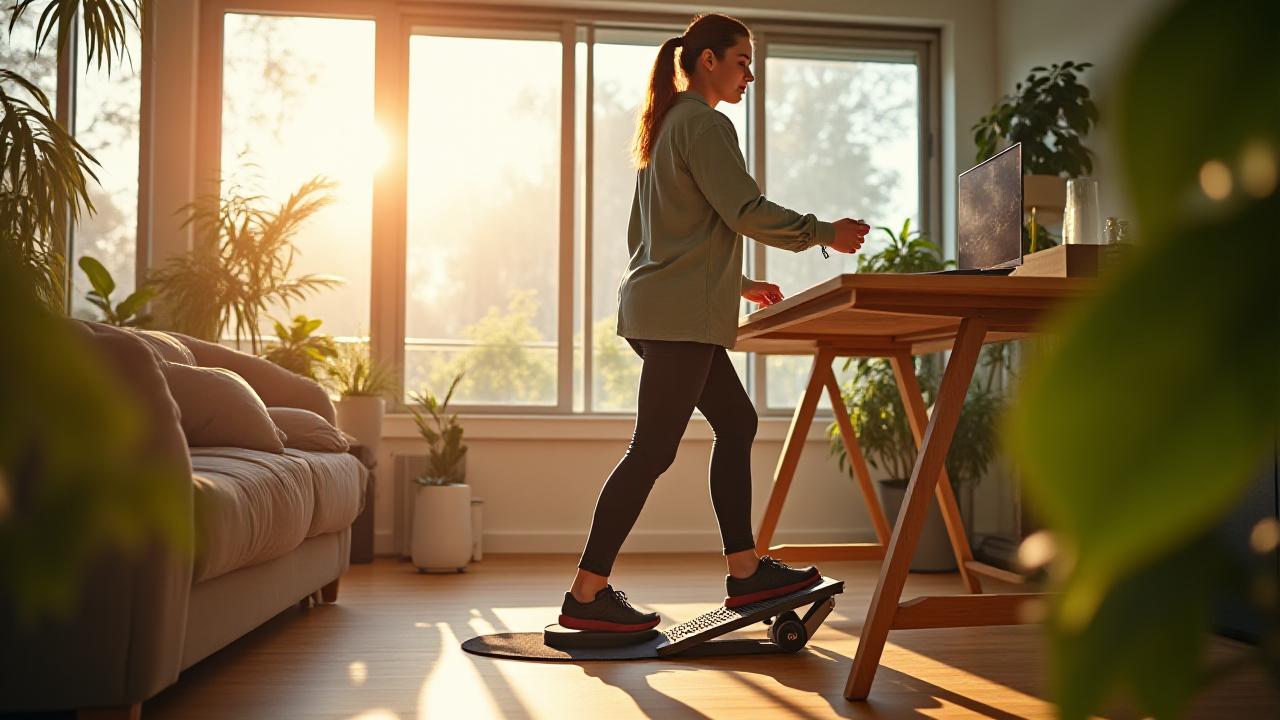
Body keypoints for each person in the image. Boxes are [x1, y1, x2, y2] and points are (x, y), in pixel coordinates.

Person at [560, 12, 869, 633]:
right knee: (651, 451)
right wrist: (823, 233)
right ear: (708, 60)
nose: (749, 75)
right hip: (676, 318)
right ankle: (587, 595)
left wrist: (738, 281)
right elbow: (745, 210)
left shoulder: (667, 126)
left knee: (736, 419)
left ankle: (746, 571)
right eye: (742, 61)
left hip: (661, 308)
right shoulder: (704, 124)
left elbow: (659, 237)